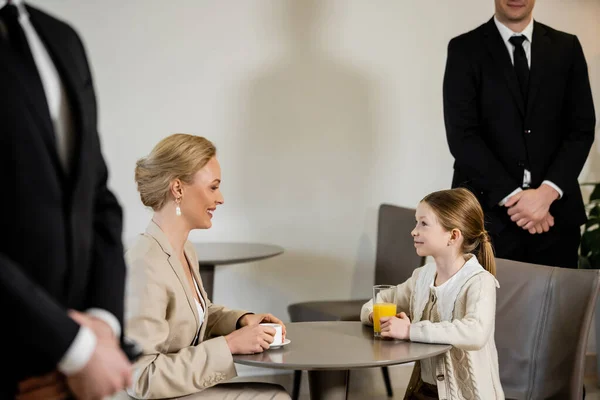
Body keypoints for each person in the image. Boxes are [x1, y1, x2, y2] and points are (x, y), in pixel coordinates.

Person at [0, 1, 132, 398]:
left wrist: (102, 325)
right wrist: (74, 348)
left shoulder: (62, 38)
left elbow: (96, 198)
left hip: (69, 378)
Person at [120, 133, 291, 399]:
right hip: (154, 395)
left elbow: (194, 316)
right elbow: (141, 378)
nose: (220, 198)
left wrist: (241, 321)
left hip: (178, 390)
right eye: (213, 187)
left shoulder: (185, 250)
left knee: (276, 394)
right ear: (178, 189)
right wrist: (228, 345)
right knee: (274, 397)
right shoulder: (144, 264)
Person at [443, 0, 596, 269]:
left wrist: (546, 193)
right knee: (485, 298)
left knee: (560, 298)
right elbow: (462, 136)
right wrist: (516, 198)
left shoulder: (567, 47)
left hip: (555, 218)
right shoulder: (464, 48)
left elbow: (581, 129)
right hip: (486, 218)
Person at [361, 188, 503, 399]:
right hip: (422, 391)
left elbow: (476, 332)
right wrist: (377, 317)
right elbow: (377, 301)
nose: (414, 231)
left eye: (424, 223)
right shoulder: (422, 276)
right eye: (416, 222)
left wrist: (409, 330)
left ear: (453, 236)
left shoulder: (479, 281)